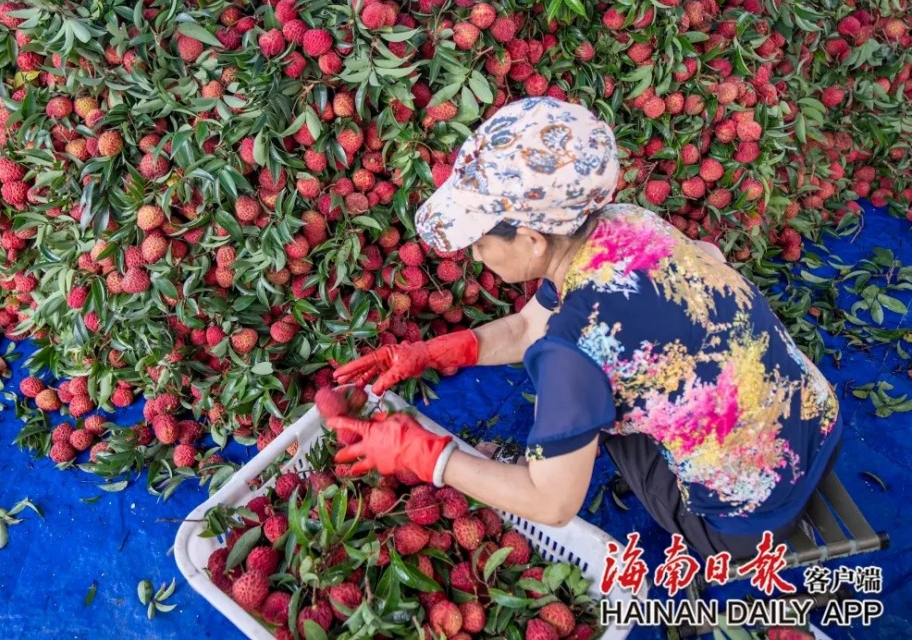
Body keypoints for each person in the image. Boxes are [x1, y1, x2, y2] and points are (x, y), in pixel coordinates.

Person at [323, 97, 842, 560]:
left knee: (589, 414)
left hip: (746, 521)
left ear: (531, 240)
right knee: (605, 381)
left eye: (479, 242)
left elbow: (551, 504)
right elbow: (528, 328)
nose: (476, 256)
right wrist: (432, 352)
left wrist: (425, 455)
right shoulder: (624, 221)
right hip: (818, 422)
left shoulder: (574, 349)